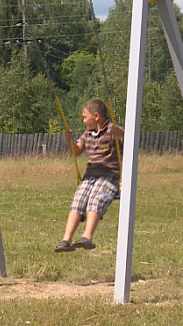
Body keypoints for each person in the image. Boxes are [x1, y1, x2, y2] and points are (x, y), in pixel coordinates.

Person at [54, 98, 123, 252]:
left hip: (108, 175)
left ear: (96, 116)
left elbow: (125, 135)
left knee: (95, 199)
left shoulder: (111, 131)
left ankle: (87, 236)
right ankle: (66, 239)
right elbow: (76, 151)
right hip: (90, 176)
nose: (83, 120)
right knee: (78, 200)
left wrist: (120, 133)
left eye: (85, 117)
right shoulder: (87, 134)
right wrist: (70, 141)